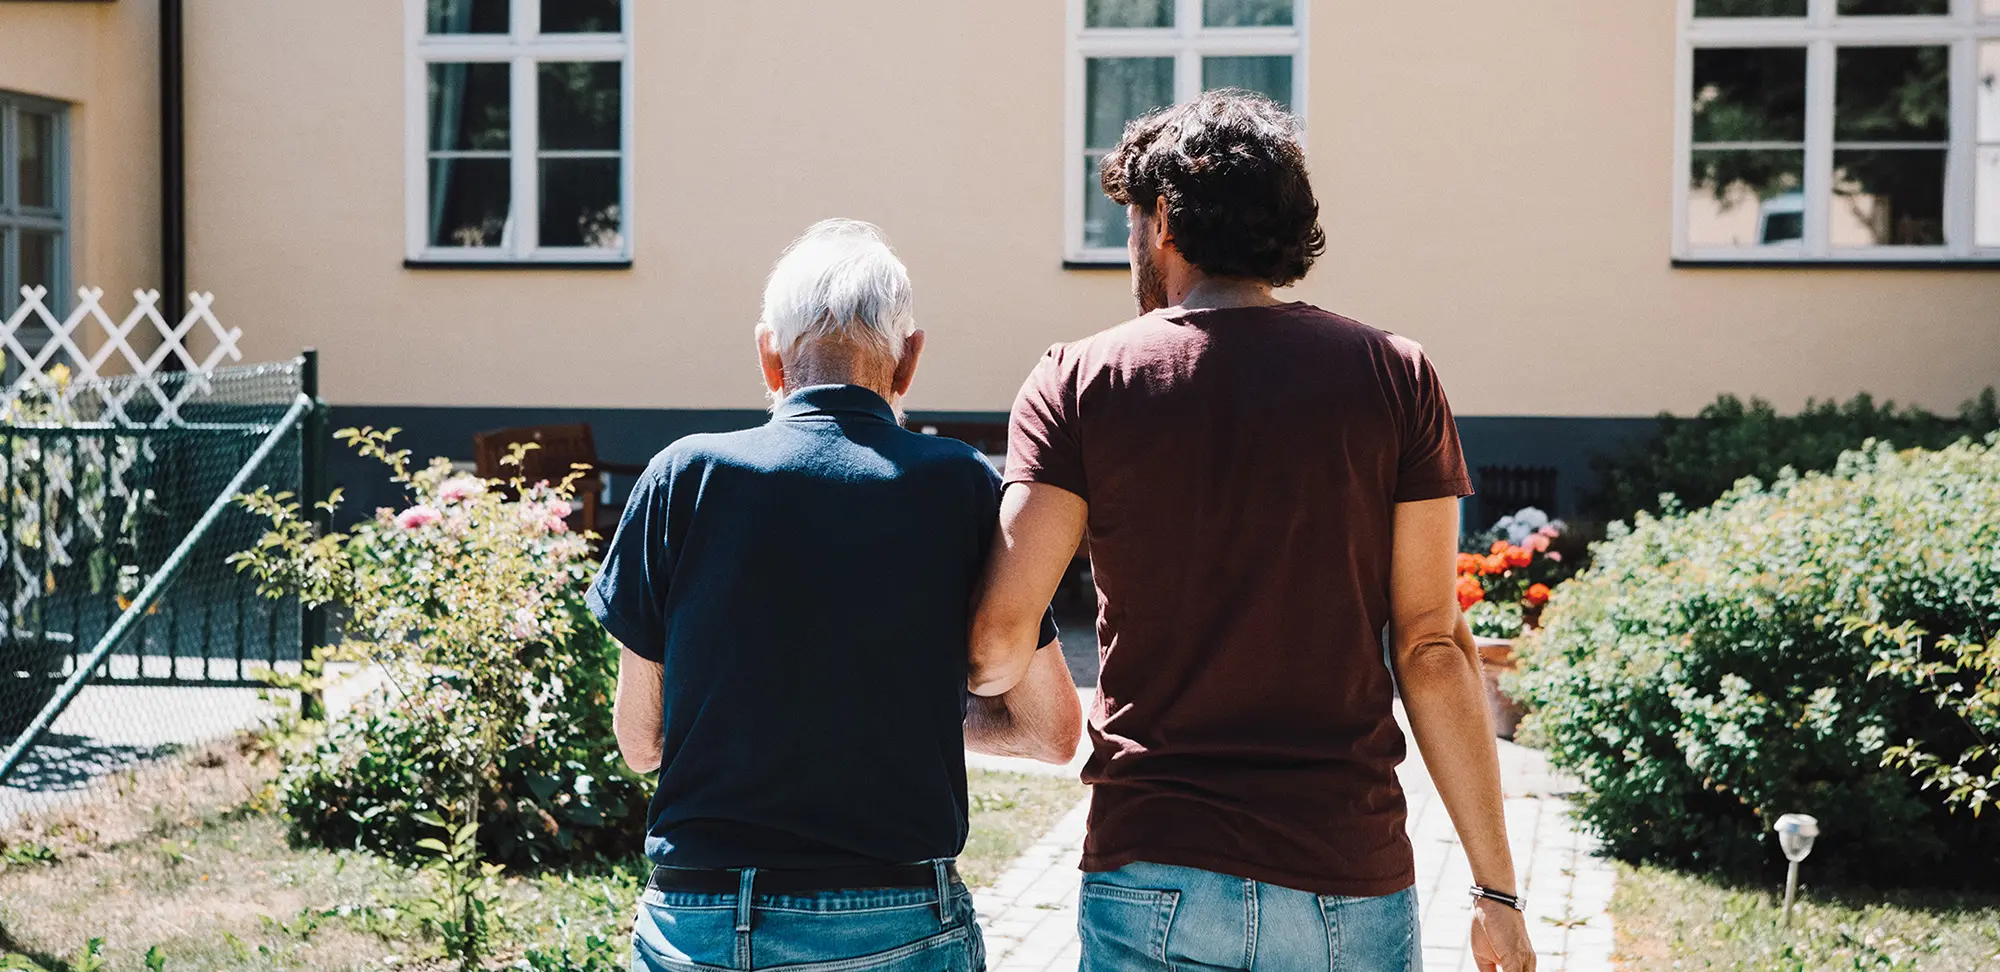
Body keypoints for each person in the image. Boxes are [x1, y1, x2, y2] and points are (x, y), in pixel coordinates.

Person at [967, 92, 1538, 972]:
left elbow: (997, 642)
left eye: (1130, 221)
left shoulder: (1078, 382)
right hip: (1346, 874)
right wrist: (1497, 893)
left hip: (1153, 862)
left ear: (1163, 220)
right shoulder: (1396, 376)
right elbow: (1431, 648)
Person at [591, 219, 1083, 972]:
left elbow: (641, 740)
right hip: (893, 922)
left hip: (699, 923)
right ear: (909, 360)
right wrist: (890, 720)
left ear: (769, 354)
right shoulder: (957, 484)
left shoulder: (680, 477)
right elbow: (1050, 731)